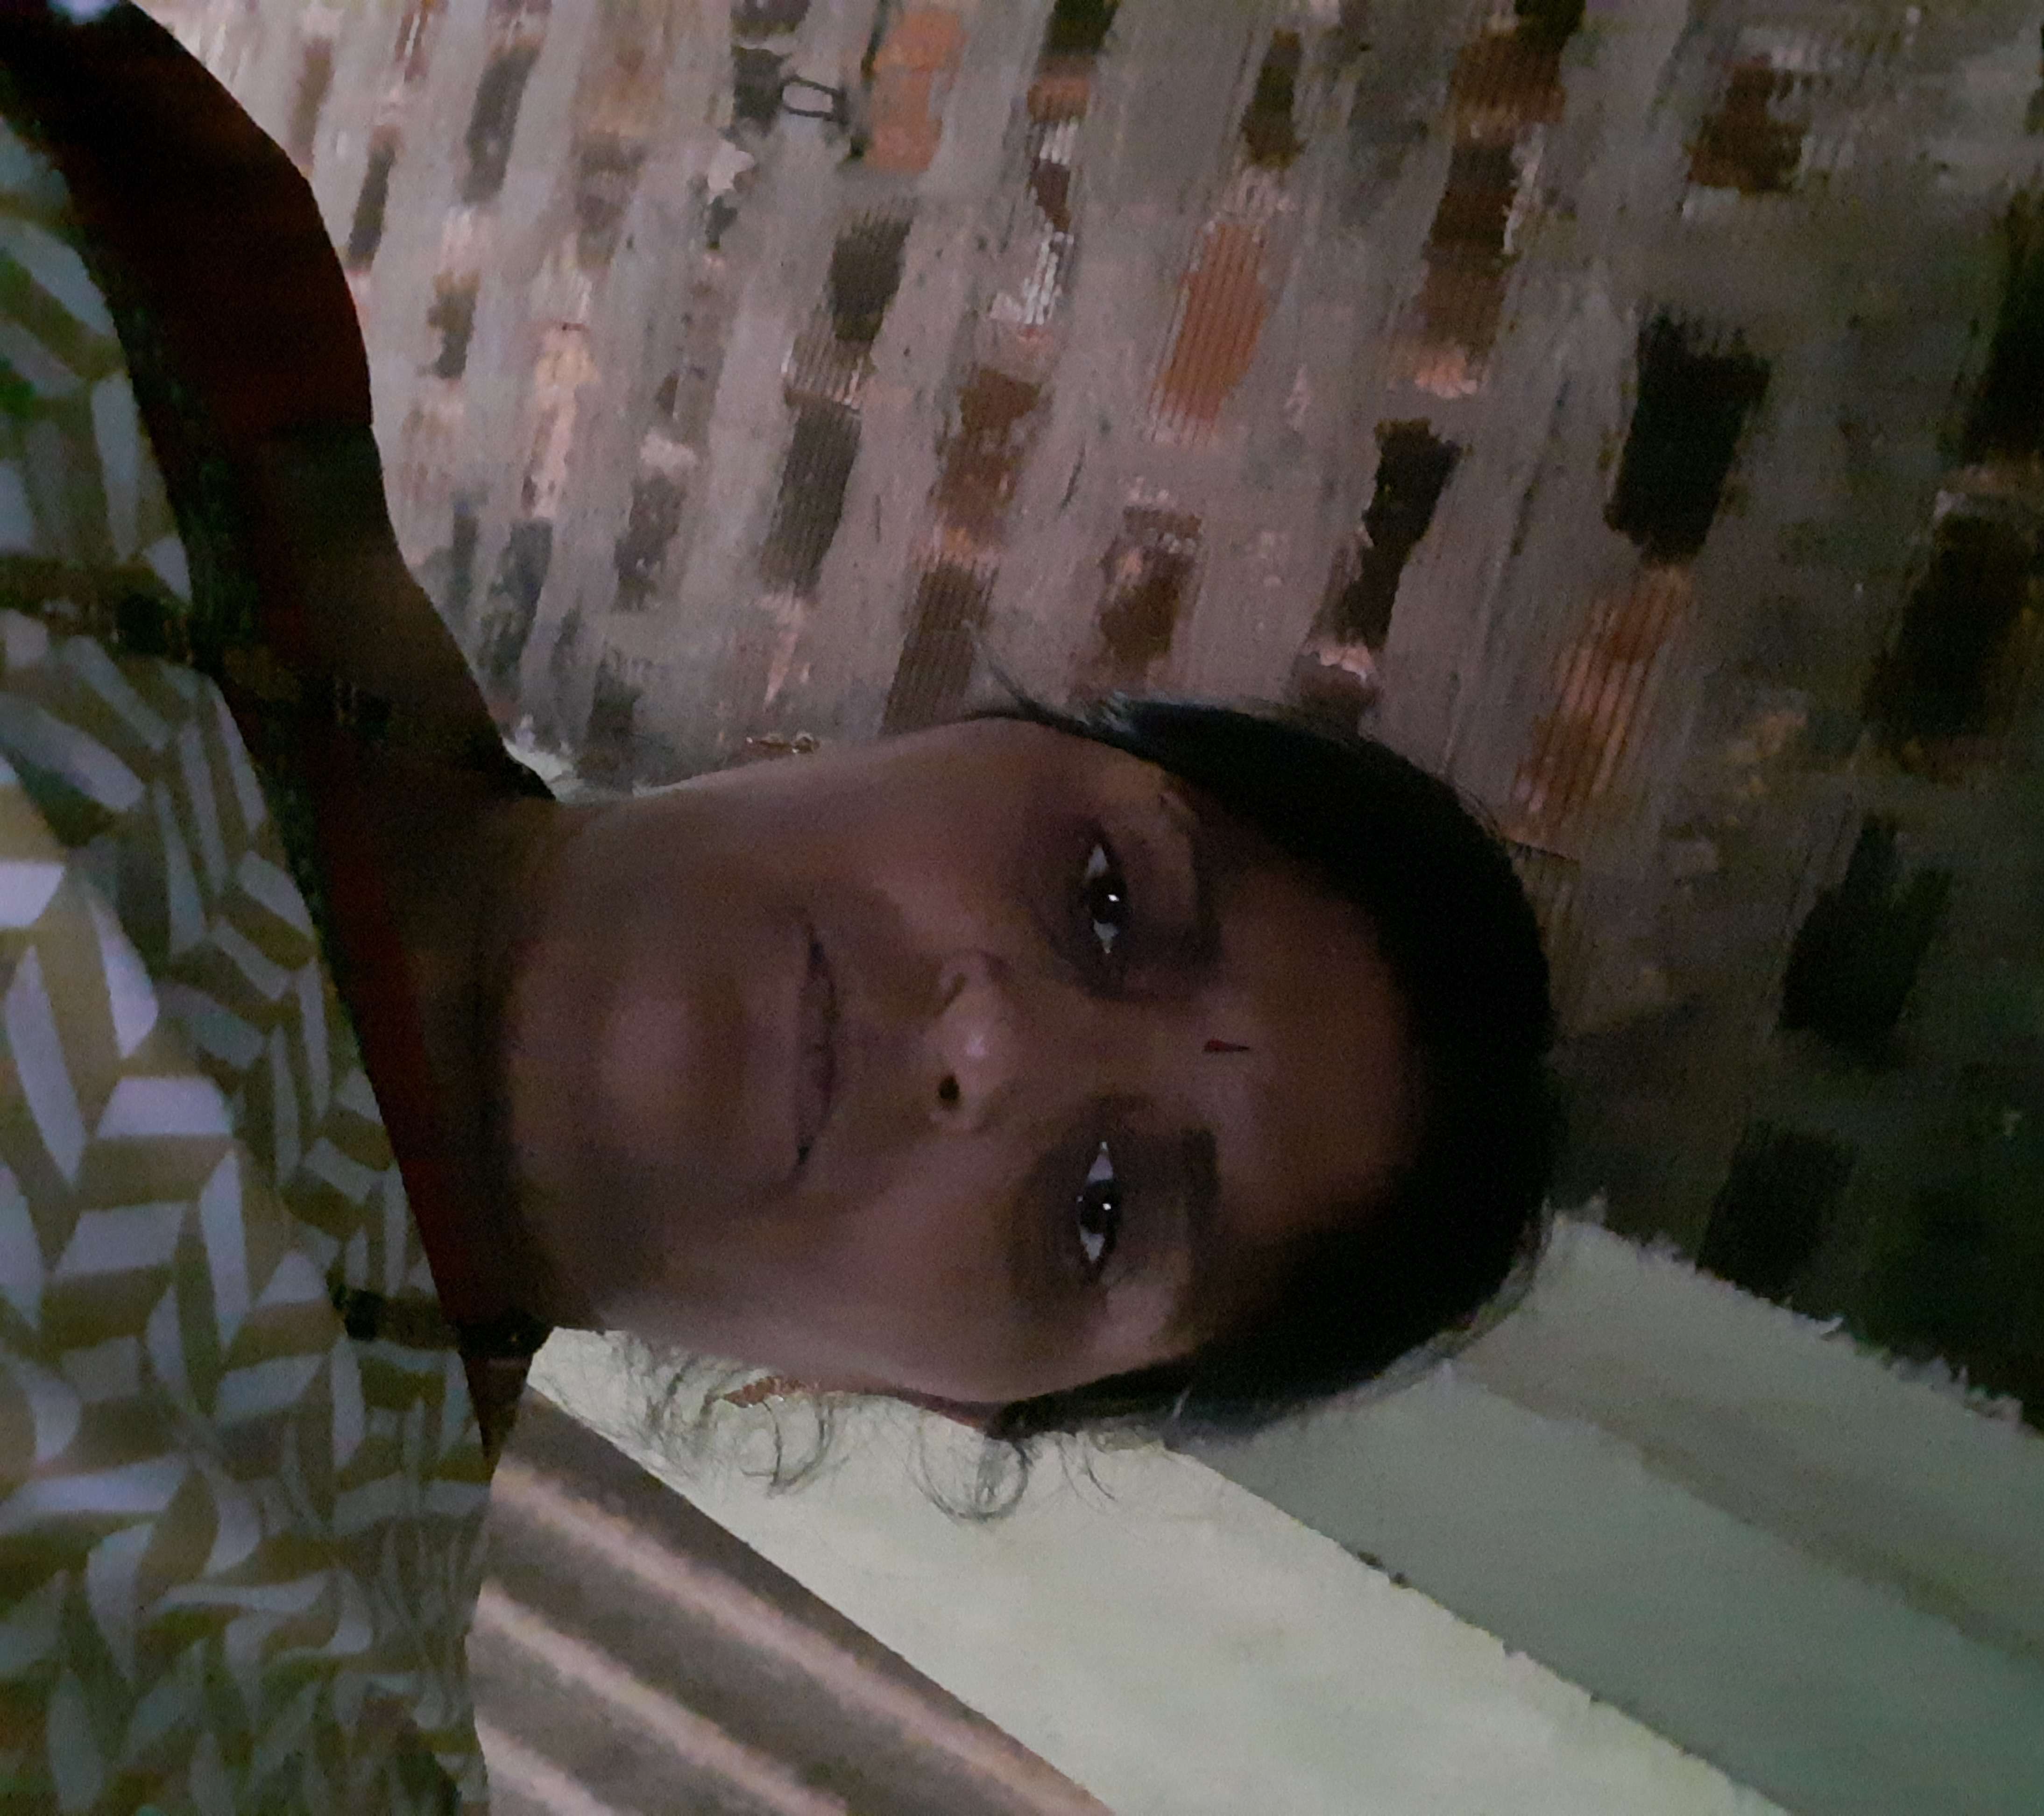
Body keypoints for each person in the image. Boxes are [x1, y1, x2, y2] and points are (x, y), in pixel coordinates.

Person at [0, 5, 1556, 1811]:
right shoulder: (167, 276)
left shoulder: (265, 1693)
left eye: (1104, 1215)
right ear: (939, 736)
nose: (994, 1043)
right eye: (1105, 899)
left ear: (940, 1397)